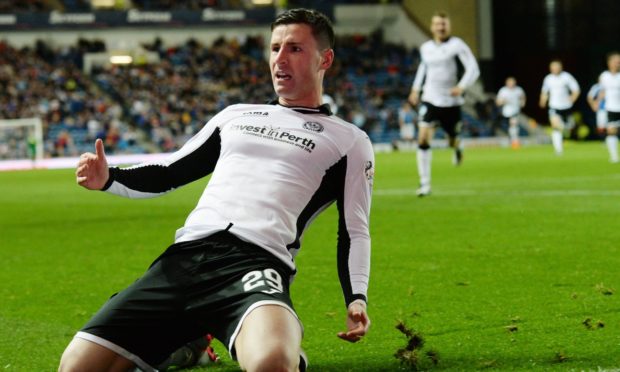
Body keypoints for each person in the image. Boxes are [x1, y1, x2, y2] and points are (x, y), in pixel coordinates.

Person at [60, 8, 373, 372]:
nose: (279, 59)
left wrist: (357, 298)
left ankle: (277, 348)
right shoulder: (236, 115)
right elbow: (169, 172)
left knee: (272, 363)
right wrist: (109, 178)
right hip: (182, 260)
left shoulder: (349, 141)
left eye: (295, 49)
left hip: (255, 263)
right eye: (274, 48)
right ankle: (187, 344)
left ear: (326, 58)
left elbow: (354, 228)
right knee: (76, 367)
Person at [408, 11, 480, 197]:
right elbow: (423, 68)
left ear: (449, 26)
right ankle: (425, 184)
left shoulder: (457, 45)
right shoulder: (426, 48)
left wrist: (462, 87)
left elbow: (473, 68)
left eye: (444, 24)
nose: (441, 27)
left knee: (451, 139)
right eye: (438, 24)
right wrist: (416, 89)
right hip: (430, 99)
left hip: (452, 101)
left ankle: (457, 147)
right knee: (423, 138)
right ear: (432, 27)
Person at [539, 59, 580, 155]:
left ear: (561, 67)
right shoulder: (548, 78)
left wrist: (572, 99)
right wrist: (542, 101)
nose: (555, 69)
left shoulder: (567, 77)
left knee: (569, 127)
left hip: (566, 106)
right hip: (554, 106)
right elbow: (545, 92)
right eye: (553, 67)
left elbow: (576, 89)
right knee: (555, 126)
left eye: (557, 66)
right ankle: (558, 150)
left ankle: (565, 129)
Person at [594, 51, 620, 163]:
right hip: (611, 108)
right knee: (611, 131)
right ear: (609, 63)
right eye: (616, 62)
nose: (618, 64)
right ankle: (614, 156)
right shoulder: (604, 76)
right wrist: (598, 102)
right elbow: (602, 91)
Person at [496, 76, 526, 149]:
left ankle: (515, 142)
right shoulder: (503, 91)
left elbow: (523, 97)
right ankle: (512, 140)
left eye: (512, 82)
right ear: (506, 83)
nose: (511, 84)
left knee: (513, 125)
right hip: (506, 112)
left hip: (515, 111)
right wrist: (503, 101)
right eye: (510, 82)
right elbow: (498, 102)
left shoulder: (518, 90)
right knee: (511, 127)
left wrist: (522, 103)